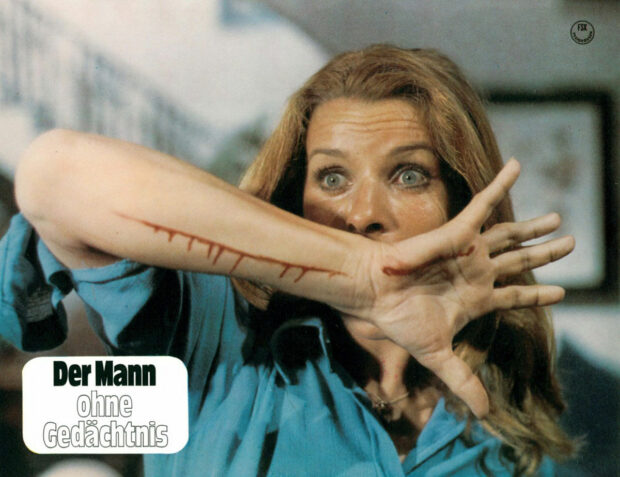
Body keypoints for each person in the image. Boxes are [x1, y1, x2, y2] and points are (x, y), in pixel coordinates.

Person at [1, 45, 575, 476]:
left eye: (408, 175)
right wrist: (360, 276)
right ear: (296, 197)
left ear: (461, 199)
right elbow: (53, 176)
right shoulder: (214, 332)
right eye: (332, 177)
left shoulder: (508, 430)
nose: (363, 215)